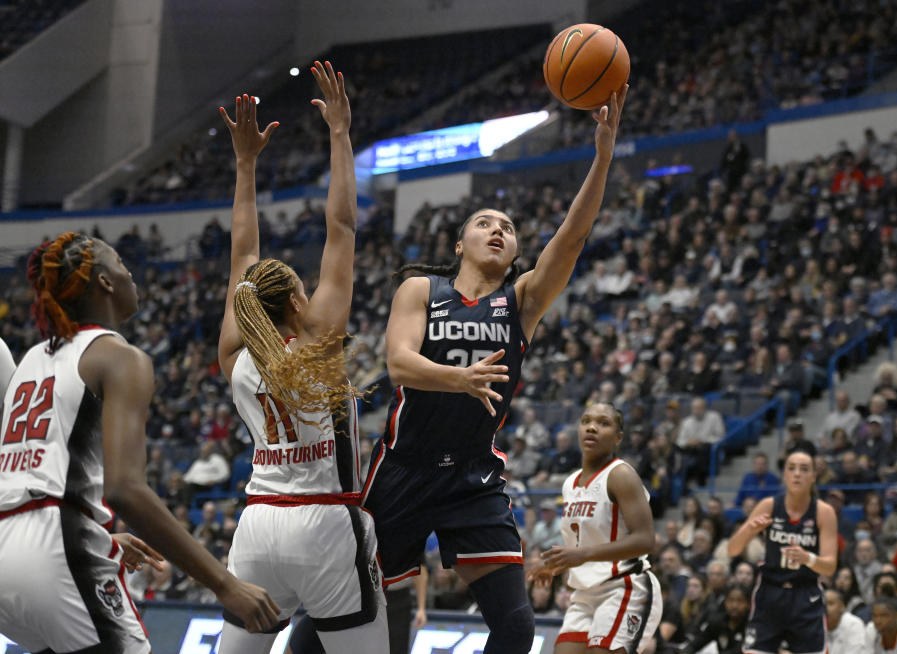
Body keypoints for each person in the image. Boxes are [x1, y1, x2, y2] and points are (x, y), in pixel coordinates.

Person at [361, 85, 628, 654]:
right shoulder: (420, 288)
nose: (499, 230)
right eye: (486, 223)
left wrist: (602, 156)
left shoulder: (522, 301)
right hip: (402, 468)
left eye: (508, 228)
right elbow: (399, 364)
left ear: (513, 255)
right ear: (460, 244)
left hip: (472, 476)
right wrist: (460, 378)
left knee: (515, 627)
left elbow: (572, 239)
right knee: (349, 604)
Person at [0, 232, 279, 653]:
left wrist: (102, 537)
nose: (131, 274)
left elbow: (35, 477)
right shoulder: (119, 356)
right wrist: (225, 584)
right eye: (122, 265)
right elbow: (125, 489)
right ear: (106, 282)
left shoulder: (32, 360)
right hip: (58, 549)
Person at [216, 66, 387, 653]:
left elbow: (244, 253)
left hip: (258, 525)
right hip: (326, 524)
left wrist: (245, 167)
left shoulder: (236, 356)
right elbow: (340, 227)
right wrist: (340, 133)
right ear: (297, 300)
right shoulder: (319, 344)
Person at [528, 402, 660, 653]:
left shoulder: (621, 475)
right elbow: (580, 544)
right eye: (586, 421)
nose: (592, 428)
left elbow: (645, 540)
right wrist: (555, 563)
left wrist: (583, 555)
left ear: (618, 438)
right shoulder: (570, 484)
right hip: (585, 593)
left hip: (625, 585)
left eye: (603, 423)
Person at [727, 442, 838, 654]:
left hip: (806, 595)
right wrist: (748, 530)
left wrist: (808, 559)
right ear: (784, 475)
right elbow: (732, 550)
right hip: (770, 593)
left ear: (814, 476)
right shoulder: (768, 505)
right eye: (792, 468)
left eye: (804, 469)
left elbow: (830, 567)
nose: (797, 474)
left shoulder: (824, 512)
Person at [679, 584, 751, 654]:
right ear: (725, 602)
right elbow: (694, 645)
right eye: (730, 600)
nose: (734, 605)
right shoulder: (717, 622)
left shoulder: (753, 626)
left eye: (740, 601)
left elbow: (742, 651)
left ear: (748, 604)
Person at [825, 588, 868, 654]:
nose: (825, 609)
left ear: (842, 607)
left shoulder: (853, 624)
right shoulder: (816, 624)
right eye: (823, 604)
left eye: (830, 604)